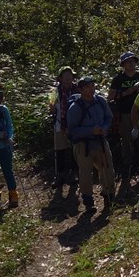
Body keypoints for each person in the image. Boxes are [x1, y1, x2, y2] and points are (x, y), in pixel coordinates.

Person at [66, 75, 115, 212]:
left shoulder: (100, 101)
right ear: (81, 89)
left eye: (93, 86)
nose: (92, 89)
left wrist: (105, 128)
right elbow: (72, 130)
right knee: (86, 173)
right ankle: (88, 201)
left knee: (107, 168)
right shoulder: (75, 108)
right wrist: (90, 131)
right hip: (83, 145)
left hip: (100, 141)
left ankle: (109, 195)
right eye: (88, 87)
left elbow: (108, 117)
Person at [108, 51, 139, 181]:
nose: (131, 64)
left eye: (133, 61)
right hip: (125, 113)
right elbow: (110, 97)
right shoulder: (118, 79)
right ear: (123, 64)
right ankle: (127, 166)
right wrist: (128, 92)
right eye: (128, 62)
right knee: (126, 139)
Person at [48, 66, 80, 196]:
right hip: (60, 124)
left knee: (74, 150)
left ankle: (74, 173)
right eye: (66, 75)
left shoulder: (78, 88)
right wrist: (52, 107)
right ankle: (60, 175)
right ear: (60, 78)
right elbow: (50, 106)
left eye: (70, 75)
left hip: (75, 124)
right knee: (60, 150)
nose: (68, 78)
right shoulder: (54, 91)